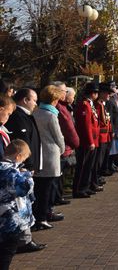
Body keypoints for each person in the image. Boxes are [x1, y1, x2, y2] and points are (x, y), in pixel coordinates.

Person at [31, 85, 65, 231]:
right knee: (47, 188)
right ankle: (43, 217)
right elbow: (58, 136)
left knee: (39, 188)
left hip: (38, 154)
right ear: (54, 100)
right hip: (50, 154)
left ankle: (39, 215)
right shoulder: (51, 115)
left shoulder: (35, 112)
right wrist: (62, 149)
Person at [0, 140, 38, 266]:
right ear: (18, 156)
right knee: (7, 253)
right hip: (10, 220)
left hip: (3, 216)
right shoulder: (11, 172)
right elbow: (23, 189)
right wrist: (28, 176)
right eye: (24, 159)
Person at [5, 89, 42, 174]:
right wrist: (29, 164)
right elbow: (23, 141)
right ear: (25, 100)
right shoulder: (18, 117)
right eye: (34, 100)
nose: (36, 104)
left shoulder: (25, 116)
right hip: (23, 166)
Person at [73, 82, 100, 198]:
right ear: (92, 93)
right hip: (87, 141)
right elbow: (86, 125)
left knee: (89, 165)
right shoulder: (85, 105)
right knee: (83, 166)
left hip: (93, 139)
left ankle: (86, 186)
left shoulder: (90, 104)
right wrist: (90, 141)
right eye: (96, 92)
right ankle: (79, 188)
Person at [55, 86, 78, 203]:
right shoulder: (60, 108)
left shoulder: (64, 107)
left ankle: (59, 195)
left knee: (61, 174)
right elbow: (68, 128)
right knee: (59, 174)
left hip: (66, 145)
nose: (73, 98)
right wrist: (75, 142)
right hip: (63, 146)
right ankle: (57, 197)